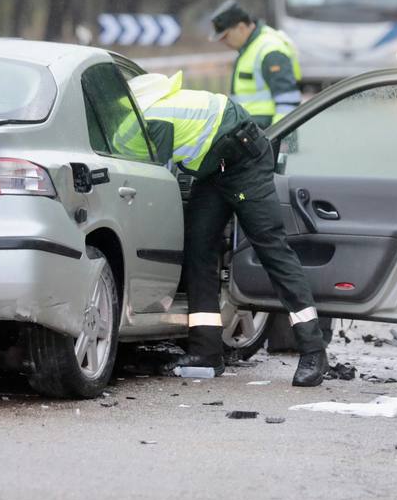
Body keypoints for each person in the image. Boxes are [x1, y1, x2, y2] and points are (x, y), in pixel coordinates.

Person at [127, 71, 328, 386]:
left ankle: (313, 352)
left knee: (272, 250)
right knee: (198, 248)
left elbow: (155, 172)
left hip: (245, 162)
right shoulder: (153, 110)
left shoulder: (153, 118)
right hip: (213, 171)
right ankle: (206, 351)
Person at [208, 0, 302, 128]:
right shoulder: (250, 47)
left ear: (241, 28)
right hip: (257, 132)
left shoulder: (270, 49)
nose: (224, 42)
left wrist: (281, 137)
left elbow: (288, 101)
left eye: (225, 36)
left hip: (270, 132)